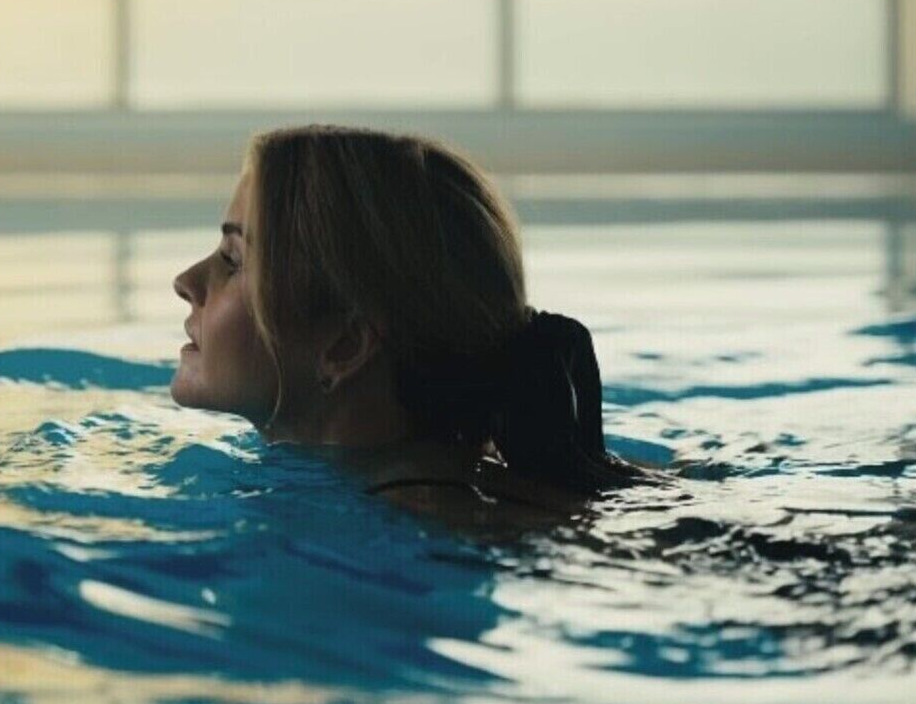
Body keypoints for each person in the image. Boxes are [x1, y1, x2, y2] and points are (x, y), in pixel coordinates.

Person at [170, 125, 644, 520]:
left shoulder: (419, 523)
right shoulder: (464, 489)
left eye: (233, 260)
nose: (185, 281)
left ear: (345, 346)